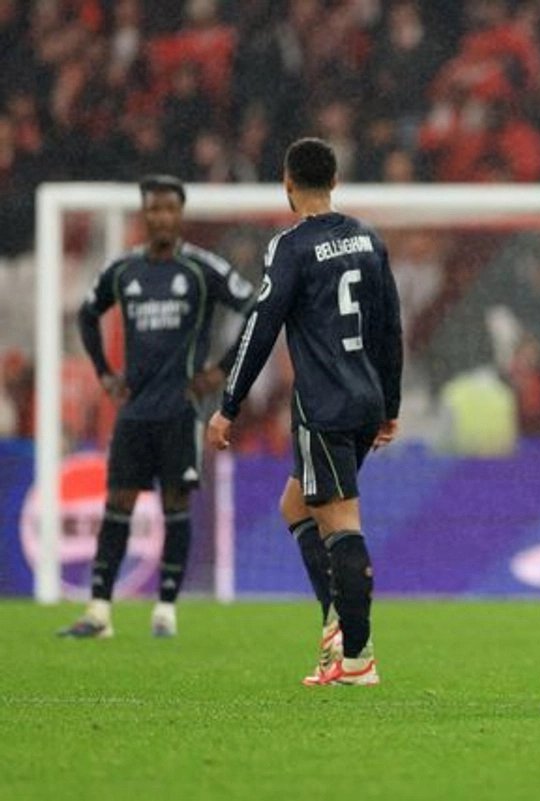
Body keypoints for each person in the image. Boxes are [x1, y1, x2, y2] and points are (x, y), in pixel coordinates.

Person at [207, 137, 402, 687]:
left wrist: (228, 405)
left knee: (341, 522)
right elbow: (391, 327)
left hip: (324, 405)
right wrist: (390, 404)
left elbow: (261, 324)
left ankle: (357, 657)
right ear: (335, 181)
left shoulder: (290, 247)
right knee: (295, 506)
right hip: (365, 398)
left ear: (287, 184)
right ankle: (337, 625)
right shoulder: (368, 238)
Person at [60, 174, 256, 639]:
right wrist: (104, 373)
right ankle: (99, 612)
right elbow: (87, 314)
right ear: (145, 214)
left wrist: (223, 369)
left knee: (175, 505)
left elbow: (255, 308)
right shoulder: (124, 270)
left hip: (181, 411)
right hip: (134, 411)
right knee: (118, 504)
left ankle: (166, 610)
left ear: (180, 214)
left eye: (170, 208)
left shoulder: (201, 268)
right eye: (154, 209)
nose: (162, 217)